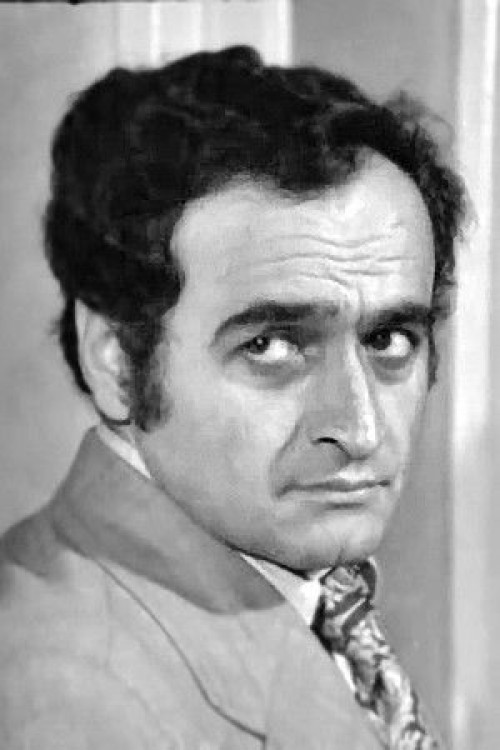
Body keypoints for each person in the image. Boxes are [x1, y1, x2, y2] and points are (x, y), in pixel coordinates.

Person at [0, 46, 466, 749]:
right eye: (272, 345)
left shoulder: (289, 580)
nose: (361, 428)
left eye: (388, 338)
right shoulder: (72, 704)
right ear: (116, 358)